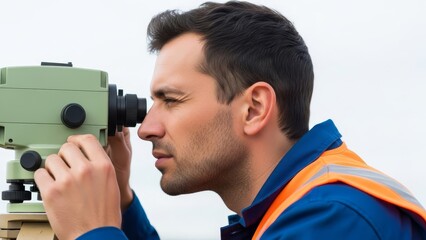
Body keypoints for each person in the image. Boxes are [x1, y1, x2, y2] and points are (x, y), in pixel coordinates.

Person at [34, 1, 426, 239]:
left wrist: (93, 234)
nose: (146, 127)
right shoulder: (297, 209)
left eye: (170, 100)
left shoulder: (333, 218)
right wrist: (119, 203)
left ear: (254, 108)